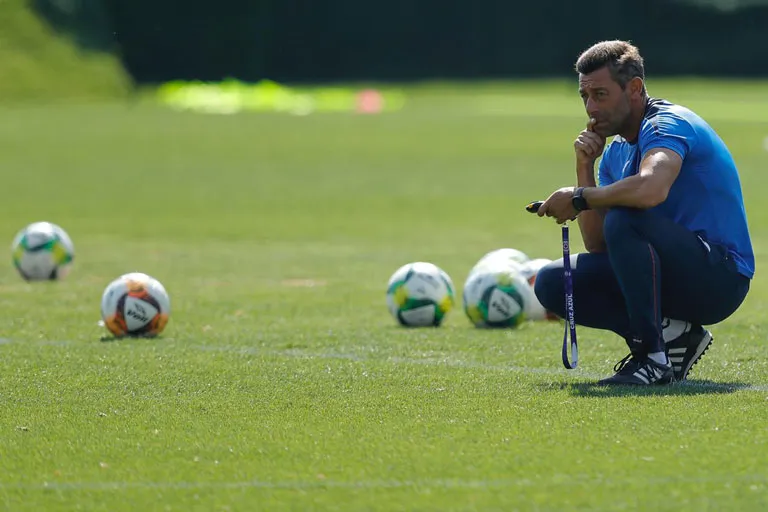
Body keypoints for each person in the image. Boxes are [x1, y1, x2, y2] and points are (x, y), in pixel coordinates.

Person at [533, 40, 754, 385]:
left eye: (601, 95)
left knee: (625, 215)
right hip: (670, 274)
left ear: (634, 88)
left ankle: (652, 359)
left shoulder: (667, 124)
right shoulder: (615, 153)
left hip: (720, 279)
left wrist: (579, 198)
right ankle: (673, 337)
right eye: (584, 97)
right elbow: (598, 244)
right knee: (554, 281)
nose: (591, 107)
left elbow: (650, 189)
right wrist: (584, 169)